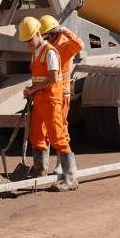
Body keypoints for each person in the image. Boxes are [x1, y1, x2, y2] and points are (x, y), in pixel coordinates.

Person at [19, 16, 78, 191]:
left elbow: (52, 79)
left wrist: (33, 89)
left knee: (58, 137)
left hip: (52, 101)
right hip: (39, 100)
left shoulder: (50, 51)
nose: (28, 44)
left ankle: (70, 179)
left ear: (38, 34)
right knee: (36, 135)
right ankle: (40, 171)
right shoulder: (35, 53)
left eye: (30, 40)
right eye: (26, 41)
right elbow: (39, 78)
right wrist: (31, 89)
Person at [38, 15, 84, 120]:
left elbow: (80, 45)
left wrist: (66, 31)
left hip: (61, 91)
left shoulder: (66, 45)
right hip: (48, 90)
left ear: (53, 33)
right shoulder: (47, 46)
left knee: (59, 124)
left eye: (45, 37)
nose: (44, 40)